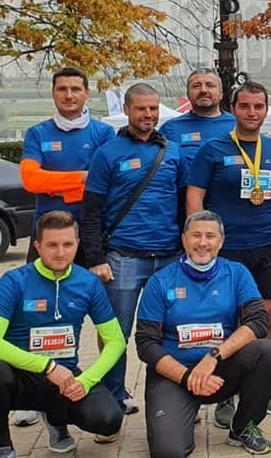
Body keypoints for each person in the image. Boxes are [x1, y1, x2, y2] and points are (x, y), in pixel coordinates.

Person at [80, 83, 188, 426]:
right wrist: (95, 258)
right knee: (116, 333)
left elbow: (184, 203)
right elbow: (91, 210)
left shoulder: (172, 151)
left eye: (153, 108)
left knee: (172, 330)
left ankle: (179, 395)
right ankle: (114, 396)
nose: (148, 115)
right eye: (141, 108)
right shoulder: (108, 153)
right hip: (123, 257)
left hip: (169, 256)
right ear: (127, 109)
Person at [135, 210, 271, 457]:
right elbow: (145, 344)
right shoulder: (160, 281)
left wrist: (214, 356)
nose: (202, 243)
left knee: (269, 352)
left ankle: (243, 427)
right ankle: (181, 411)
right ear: (184, 239)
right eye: (196, 235)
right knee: (168, 452)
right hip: (174, 374)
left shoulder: (236, 273)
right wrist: (187, 377)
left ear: (221, 241)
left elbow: (258, 321)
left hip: (220, 369)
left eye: (210, 236)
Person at [16, 66, 115, 429]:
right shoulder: (37, 133)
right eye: (62, 89)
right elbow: (30, 179)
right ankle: (28, 393)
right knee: (32, 313)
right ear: (54, 94)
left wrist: (55, 184)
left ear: (87, 93)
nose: (69, 95)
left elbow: (106, 181)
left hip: (91, 236)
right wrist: (80, 181)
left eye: (76, 88)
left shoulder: (103, 133)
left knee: (105, 316)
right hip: (47, 236)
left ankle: (110, 386)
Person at [186, 81, 271, 422]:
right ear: (233, 109)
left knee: (265, 317)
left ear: (266, 110)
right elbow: (195, 195)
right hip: (227, 249)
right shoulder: (212, 149)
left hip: (266, 246)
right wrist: (199, 239)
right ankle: (225, 393)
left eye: (258, 106)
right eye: (245, 106)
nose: (252, 112)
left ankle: (264, 387)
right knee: (228, 320)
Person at [0, 211, 124, 457]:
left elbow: (116, 341)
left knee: (108, 419)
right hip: (19, 376)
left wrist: (86, 381)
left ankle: (56, 421)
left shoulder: (88, 283)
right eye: (52, 245)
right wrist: (47, 366)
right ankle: (3, 444)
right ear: (37, 246)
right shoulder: (14, 282)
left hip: (65, 377)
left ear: (77, 244)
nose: (60, 253)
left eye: (67, 244)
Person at [159, 67, 235, 167]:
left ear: (221, 94)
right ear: (188, 94)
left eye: (210, 85)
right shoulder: (170, 129)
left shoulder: (237, 125)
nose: (203, 90)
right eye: (196, 86)